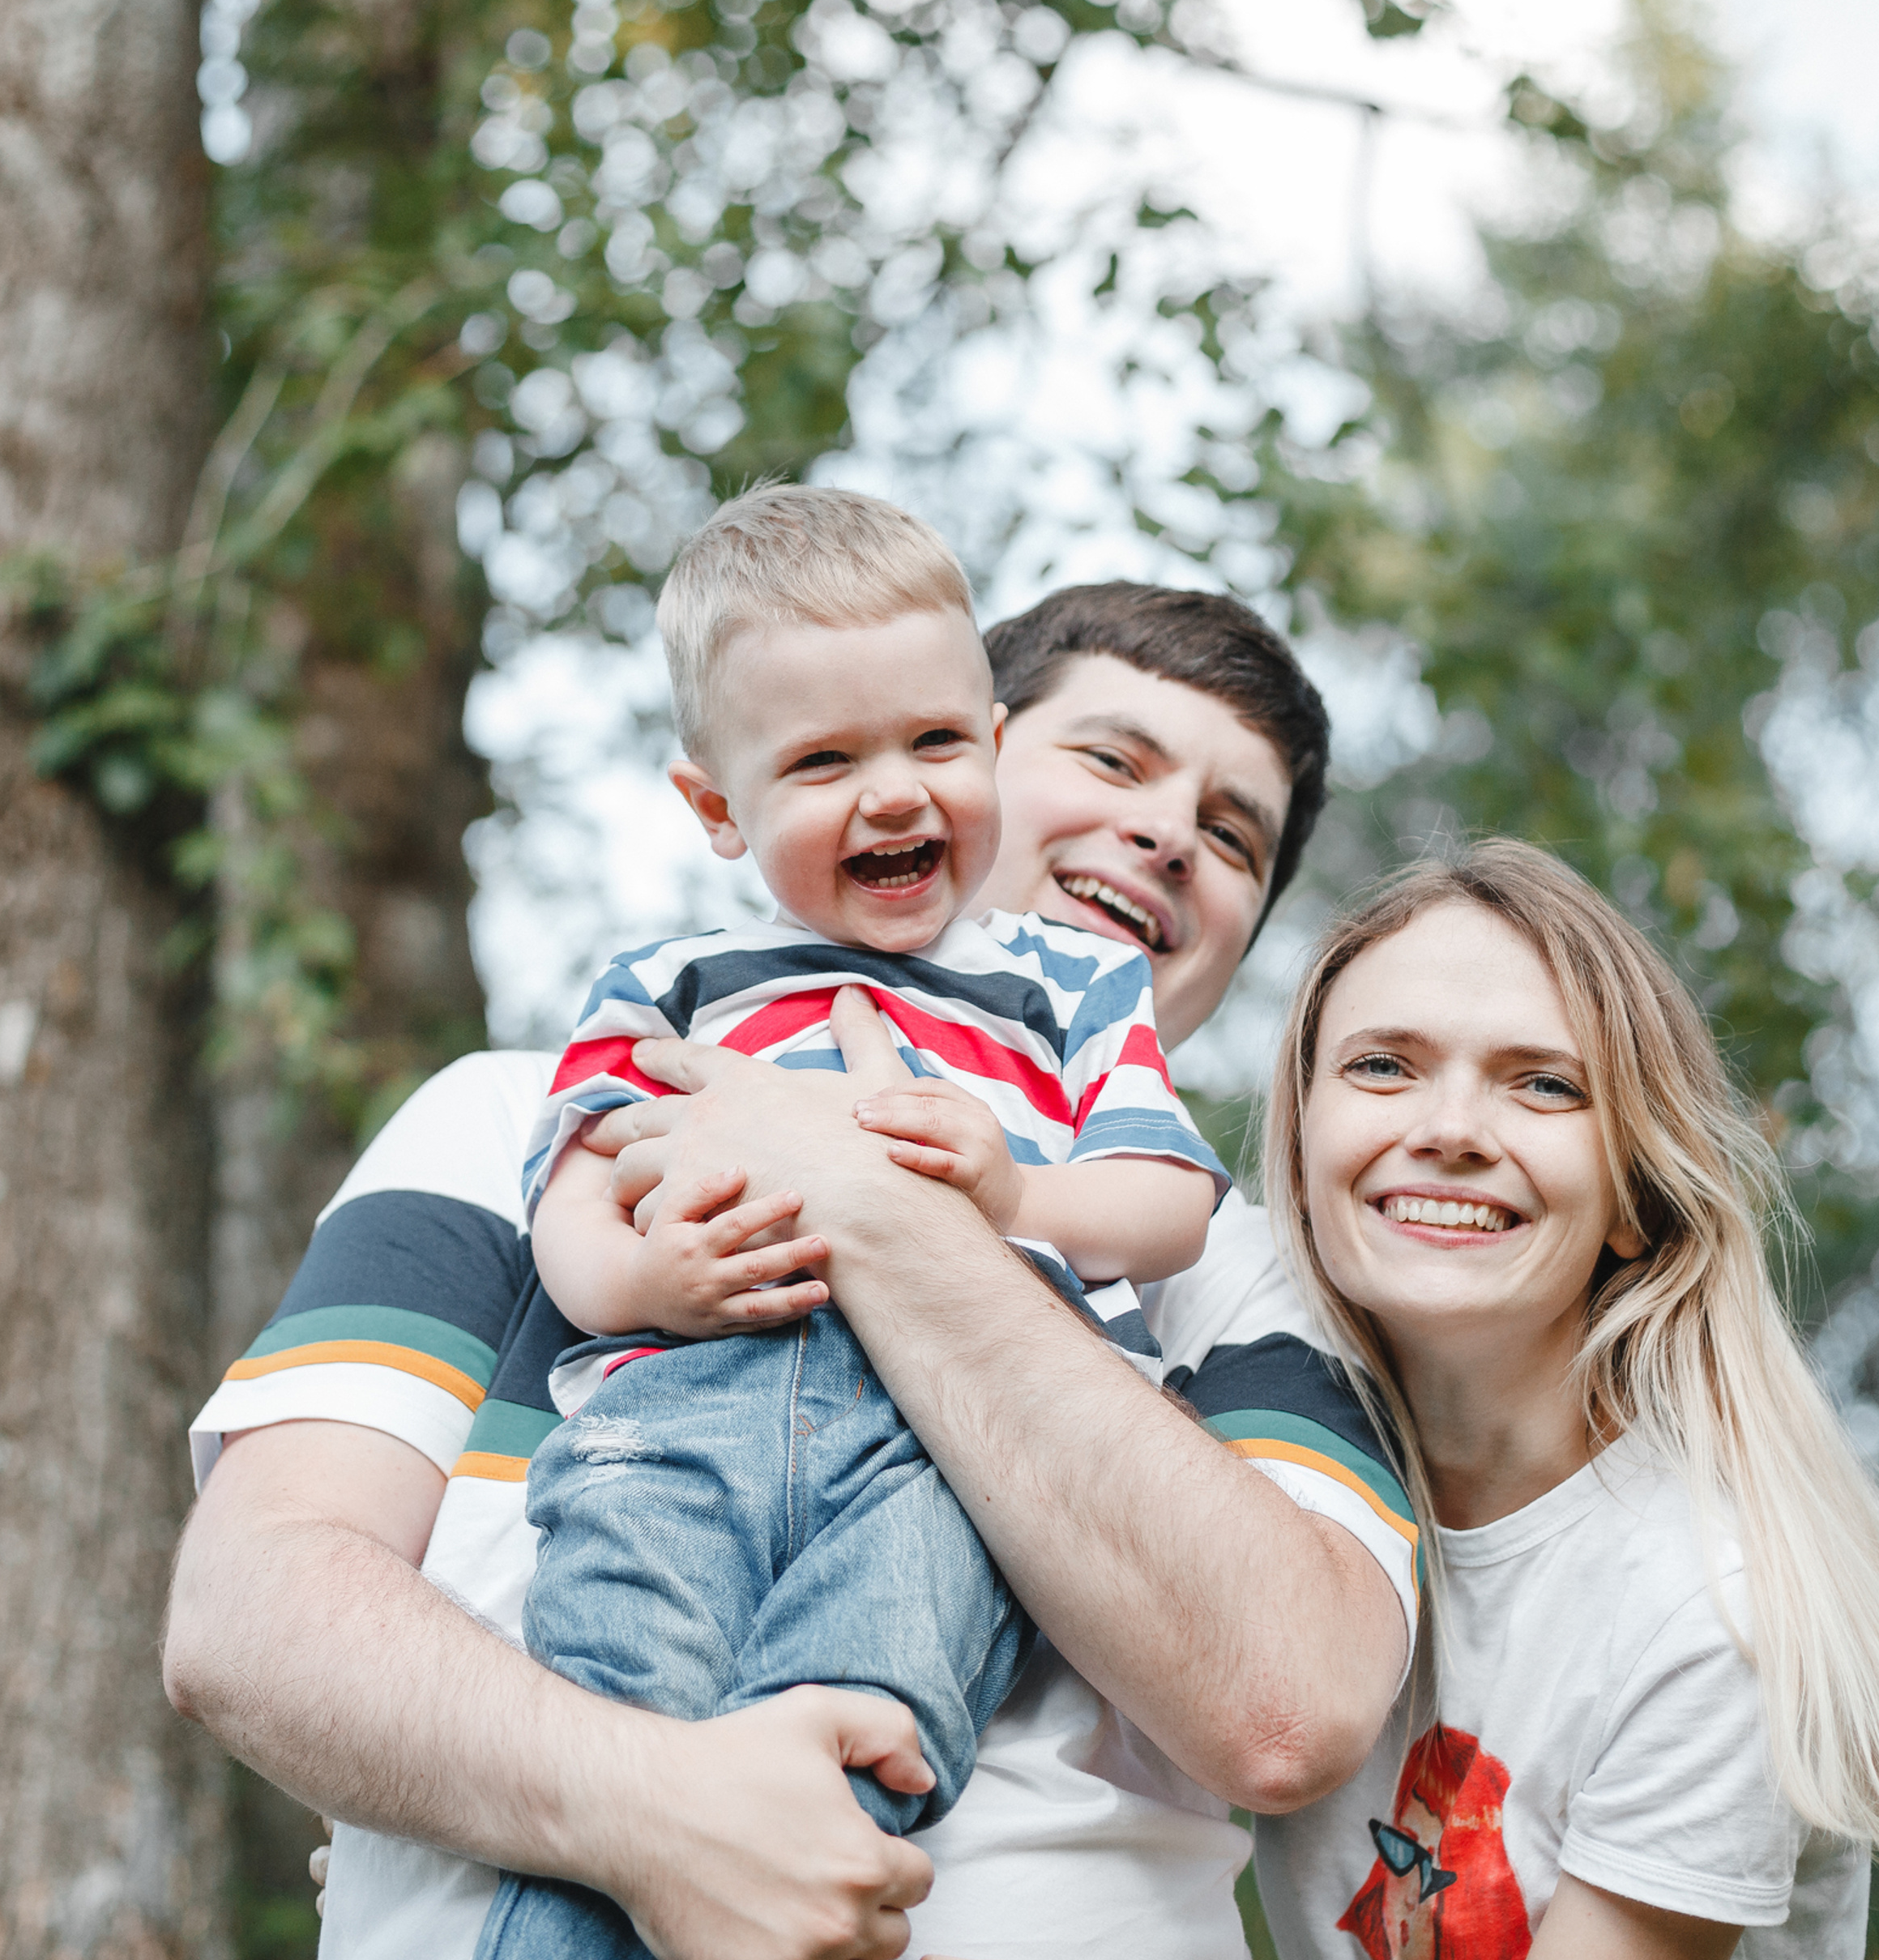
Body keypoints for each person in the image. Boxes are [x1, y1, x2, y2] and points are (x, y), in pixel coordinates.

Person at [162, 574, 1416, 1960]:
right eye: (1114, 760)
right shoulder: (519, 1122)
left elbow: (1287, 1708)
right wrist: (660, 1814)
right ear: (978, 753)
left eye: (1234, 833)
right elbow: (250, 1610)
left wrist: (869, 1197)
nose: (1169, 832)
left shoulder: (1256, 1274)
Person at [487, 489, 1225, 1955]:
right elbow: (570, 1197)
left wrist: (1011, 1193)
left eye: (936, 744)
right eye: (824, 762)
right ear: (716, 807)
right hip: (685, 1411)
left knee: (863, 1725)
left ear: (995, 748)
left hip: (957, 1447)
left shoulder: (1070, 991)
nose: (894, 796)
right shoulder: (674, 980)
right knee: (618, 1730)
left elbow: (1165, 1208)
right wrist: (654, 1279)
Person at [1248, 839, 1879, 1958]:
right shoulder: (1262, 1473)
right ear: (1301, 1150)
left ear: (1633, 1199)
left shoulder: (1710, 1613)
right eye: (1383, 1067)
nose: (1448, 1130)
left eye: (1543, 1083)